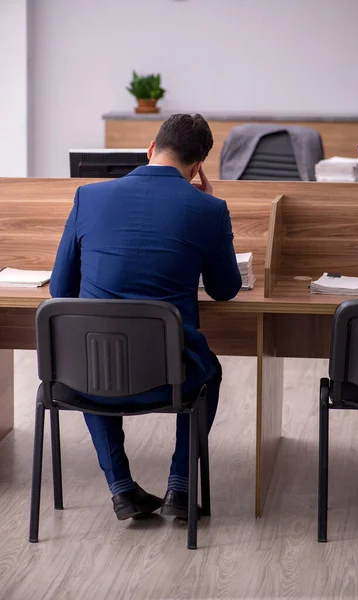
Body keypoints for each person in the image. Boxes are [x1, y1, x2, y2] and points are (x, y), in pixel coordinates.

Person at [50, 113, 242, 521]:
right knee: (210, 372)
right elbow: (225, 289)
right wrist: (207, 203)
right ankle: (181, 487)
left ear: (151, 149)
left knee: (91, 355)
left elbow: (59, 290)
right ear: (197, 168)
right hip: (170, 379)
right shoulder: (208, 209)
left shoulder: (89, 196)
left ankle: (120, 487)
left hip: (93, 377)